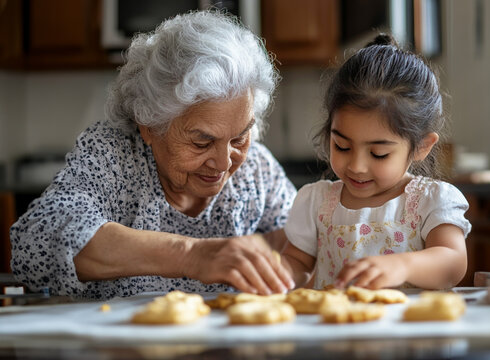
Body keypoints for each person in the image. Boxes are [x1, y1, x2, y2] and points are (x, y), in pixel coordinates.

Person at [10, 11, 296, 300]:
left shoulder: (256, 170)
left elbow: (310, 243)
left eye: (239, 137)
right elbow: (35, 244)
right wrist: (192, 255)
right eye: (201, 142)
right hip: (120, 342)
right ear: (149, 126)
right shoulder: (115, 156)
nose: (224, 163)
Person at [281, 34, 472, 291]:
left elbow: (453, 263)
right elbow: (296, 262)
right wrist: (275, 274)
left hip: (411, 329)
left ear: (422, 146)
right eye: (342, 146)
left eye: (379, 154)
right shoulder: (317, 202)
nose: (357, 166)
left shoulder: (430, 201)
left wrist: (402, 266)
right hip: (335, 328)